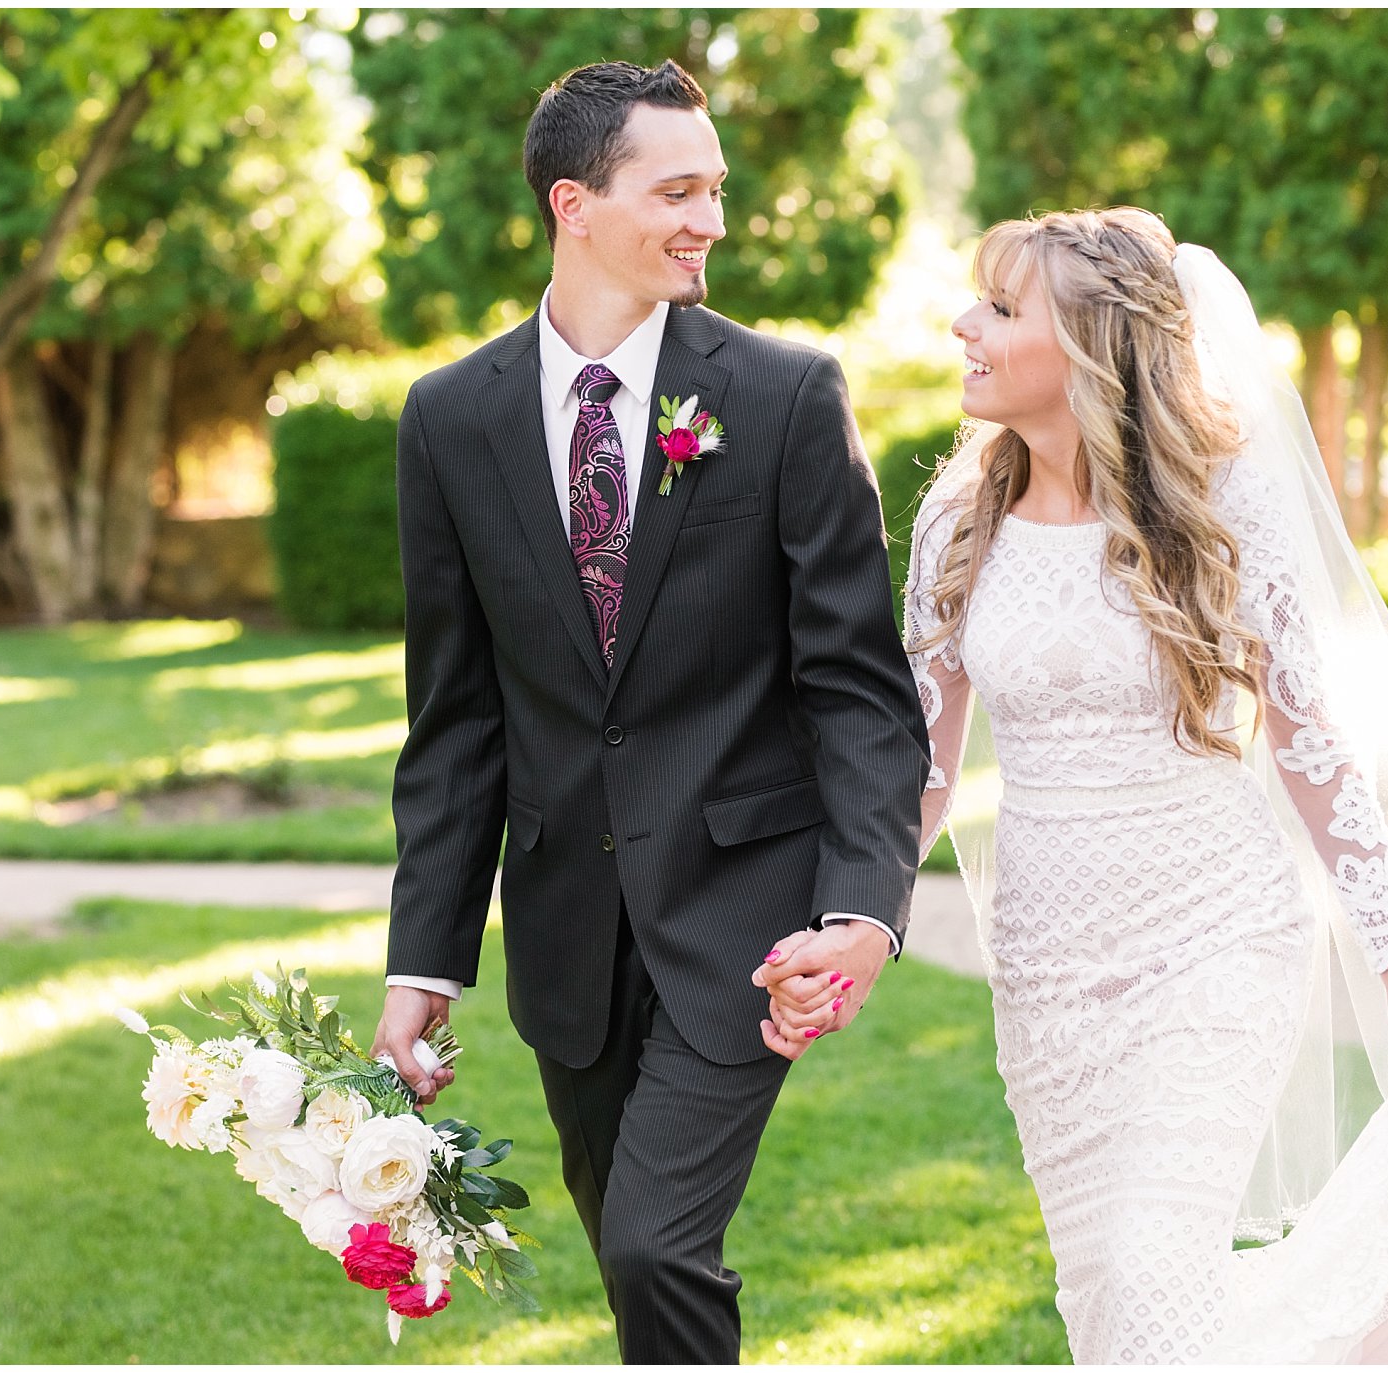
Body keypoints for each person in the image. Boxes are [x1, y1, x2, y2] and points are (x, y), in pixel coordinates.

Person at [767, 206, 1388, 1363]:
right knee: (1109, 1308)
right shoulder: (954, 522)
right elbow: (913, 770)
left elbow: (1306, 741)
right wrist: (851, 917)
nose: (961, 323)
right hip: (1047, 962)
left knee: (1149, 1263)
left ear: (1088, 346)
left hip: (1215, 932)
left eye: (999, 307)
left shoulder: (1223, 502)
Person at [369, 59, 929, 1363]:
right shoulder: (449, 420)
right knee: (637, 1257)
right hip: (569, 933)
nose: (711, 221)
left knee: (654, 1245)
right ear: (576, 202)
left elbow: (858, 687)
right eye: (678, 191)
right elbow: (454, 720)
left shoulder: (788, 398)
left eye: (716, 190)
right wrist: (424, 961)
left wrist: (859, 911)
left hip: (746, 915)